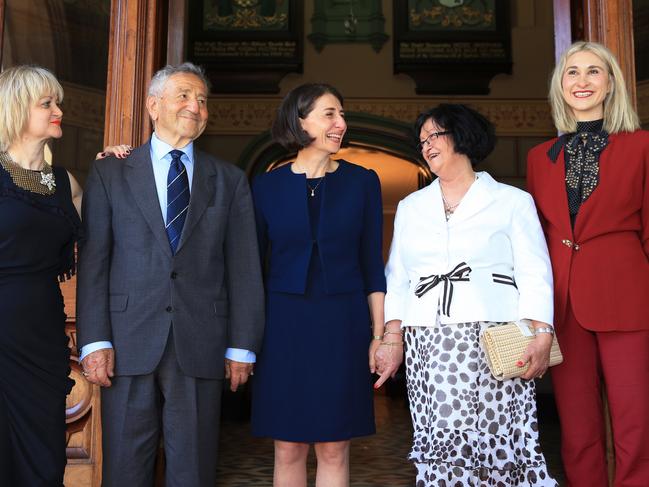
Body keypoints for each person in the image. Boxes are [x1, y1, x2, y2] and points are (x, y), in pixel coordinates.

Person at [76, 62, 265, 487]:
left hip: (201, 341)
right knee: (124, 468)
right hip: (125, 341)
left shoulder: (230, 180)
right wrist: (94, 339)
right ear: (152, 106)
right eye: (183, 95)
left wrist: (242, 345)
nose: (195, 106)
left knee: (193, 470)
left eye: (202, 100)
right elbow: (94, 261)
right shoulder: (110, 172)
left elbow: (244, 268)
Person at [385, 103, 558, 486]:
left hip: (495, 336)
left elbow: (535, 270)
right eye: (422, 140)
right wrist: (391, 337)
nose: (426, 145)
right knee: (441, 439)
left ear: (462, 135)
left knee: (499, 442)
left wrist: (542, 332)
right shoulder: (411, 206)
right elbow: (397, 278)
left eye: (435, 135)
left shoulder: (513, 201)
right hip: (429, 341)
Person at [250, 83, 402, 487]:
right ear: (300, 121)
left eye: (342, 114)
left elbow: (373, 263)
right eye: (330, 114)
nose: (341, 123)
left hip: (344, 325)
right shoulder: (265, 187)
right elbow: (251, 268)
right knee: (288, 446)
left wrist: (379, 334)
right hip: (282, 327)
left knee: (335, 445)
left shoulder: (363, 182)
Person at [527, 41, 649, 487]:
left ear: (611, 83)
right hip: (564, 304)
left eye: (593, 72)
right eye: (572, 72)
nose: (582, 81)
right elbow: (537, 237)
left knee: (636, 424)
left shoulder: (642, 146)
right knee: (577, 430)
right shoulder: (539, 157)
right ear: (560, 86)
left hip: (629, 299)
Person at [0, 65, 128, 486]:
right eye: (47, 103)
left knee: (45, 454)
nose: (59, 110)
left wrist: (111, 173)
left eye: (58, 102)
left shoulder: (64, 182)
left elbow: (106, 232)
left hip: (43, 337)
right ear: (18, 110)